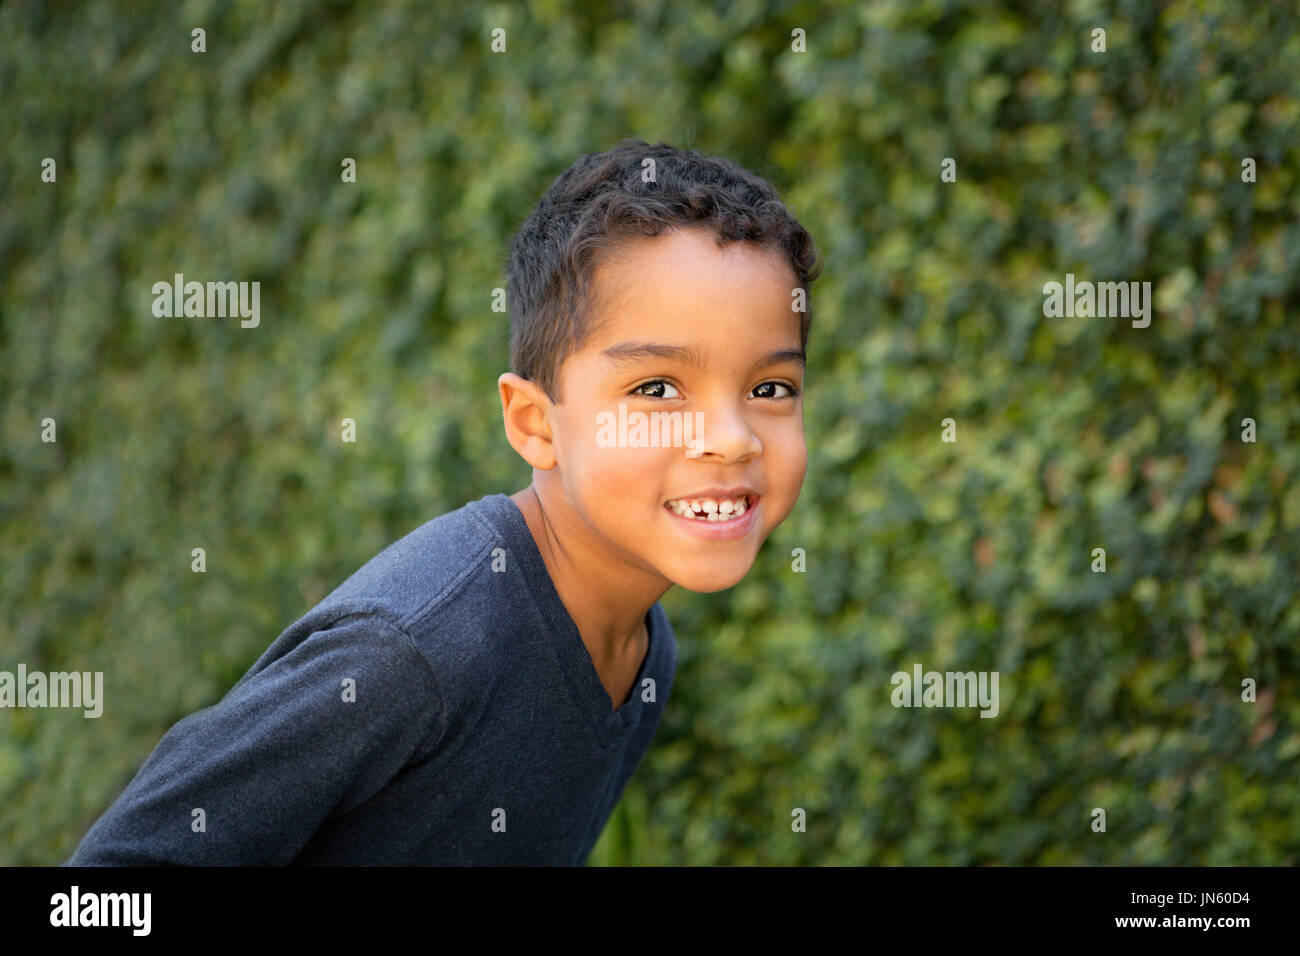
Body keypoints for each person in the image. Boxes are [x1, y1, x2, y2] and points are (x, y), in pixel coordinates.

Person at [65, 138, 822, 865]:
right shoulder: (413, 654)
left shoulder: (644, 650)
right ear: (535, 423)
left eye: (769, 388)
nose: (730, 438)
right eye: (656, 389)